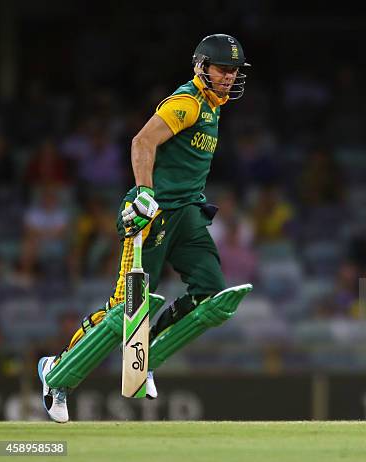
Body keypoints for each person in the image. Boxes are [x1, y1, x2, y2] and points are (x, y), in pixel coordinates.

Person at [38, 34, 253, 423]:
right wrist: (144, 195)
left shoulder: (212, 106)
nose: (228, 77)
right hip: (152, 212)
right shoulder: (186, 102)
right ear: (201, 67)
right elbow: (142, 142)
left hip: (186, 213)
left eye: (234, 71)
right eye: (222, 69)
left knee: (210, 294)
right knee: (128, 308)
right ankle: (56, 373)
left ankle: (147, 354)